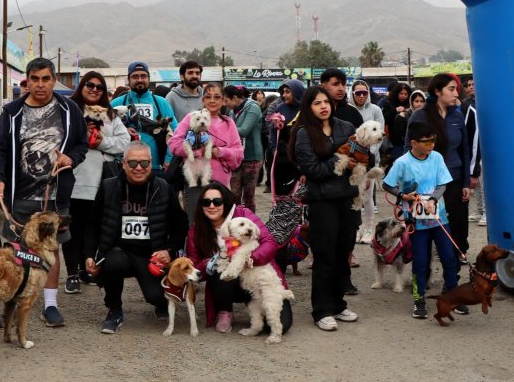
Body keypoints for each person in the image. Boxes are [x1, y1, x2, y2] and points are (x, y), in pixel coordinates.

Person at [0, 57, 88, 328]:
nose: (40, 85)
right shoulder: (11, 113)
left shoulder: (69, 111)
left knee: (51, 250)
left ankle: (50, 306)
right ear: (27, 81)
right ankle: (10, 305)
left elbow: (82, 143)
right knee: (16, 251)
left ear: (54, 80)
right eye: (35, 79)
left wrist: (71, 159)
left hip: (55, 196)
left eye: (46, 79)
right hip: (19, 194)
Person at [83, 141, 186, 333]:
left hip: (152, 256)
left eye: (144, 163)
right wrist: (90, 254)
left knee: (156, 296)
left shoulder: (163, 187)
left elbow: (181, 225)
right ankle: (114, 309)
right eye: (132, 163)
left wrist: (170, 251)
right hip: (119, 251)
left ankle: (160, 303)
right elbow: (92, 225)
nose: (139, 168)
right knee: (112, 263)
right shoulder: (108, 187)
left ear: (151, 162)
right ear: (123, 163)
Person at [291, 85, 361, 331]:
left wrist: (352, 161)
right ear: (308, 107)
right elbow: (313, 171)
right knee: (325, 256)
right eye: (316, 103)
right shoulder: (304, 133)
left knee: (343, 254)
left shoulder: (346, 127)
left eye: (326, 102)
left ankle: (339, 305)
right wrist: (340, 160)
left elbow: (362, 158)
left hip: (348, 199)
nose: (323, 106)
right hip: (322, 203)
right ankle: (322, 310)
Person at [186, 181, 292, 333]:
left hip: (255, 277)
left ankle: (257, 307)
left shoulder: (243, 215)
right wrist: (211, 262)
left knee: (282, 324)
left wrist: (250, 258)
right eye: (206, 202)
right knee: (219, 266)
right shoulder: (196, 231)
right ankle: (225, 310)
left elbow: (270, 242)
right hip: (225, 283)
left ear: (225, 202)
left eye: (217, 201)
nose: (211, 206)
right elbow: (194, 267)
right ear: (200, 205)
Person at [383, 120, 461, 320]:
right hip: (415, 222)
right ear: (414, 142)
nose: (431, 145)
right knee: (420, 261)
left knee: (449, 258)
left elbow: (443, 183)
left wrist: (434, 198)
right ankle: (419, 301)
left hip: (439, 218)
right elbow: (387, 184)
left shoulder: (436, 157)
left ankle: (453, 297)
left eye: (433, 141)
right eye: (426, 142)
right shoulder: (402, 162)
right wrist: (403, 196)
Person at [66, 71, 130, 293]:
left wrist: (101, 141)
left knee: (93, 229)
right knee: (73, 228)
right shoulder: (69, 111)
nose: (94, 89)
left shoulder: (111, 115)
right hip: (75, 179)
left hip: (102, 180)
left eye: (99, 87)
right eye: (89, 85)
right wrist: (84, 137)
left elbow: (124, 142)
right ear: (82, 86)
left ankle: (87, 268)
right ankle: (72, 273)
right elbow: (61, 140)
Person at [405, 73, 471, 264]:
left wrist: (466, 182)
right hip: (426, 185)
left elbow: (464, 150)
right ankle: (423, 275)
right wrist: (410, 184)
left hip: (454, 180)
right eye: (451, 89)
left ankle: (453, 275)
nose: (456, 93)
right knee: (426, 229)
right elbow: (407, 149)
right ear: (437, 91)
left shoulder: (457, 115)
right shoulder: (420, 115)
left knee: (456, 227)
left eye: (456, 89)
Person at [167, 82, 243, 214]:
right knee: (196, 226)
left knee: (221, 226)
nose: (212, 100)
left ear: (224, 101)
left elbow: (239, 153)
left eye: (217, 97)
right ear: (203, 100)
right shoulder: (191, 118)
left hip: (221, 183)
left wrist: (219, 151)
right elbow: (174, 144)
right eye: (208, 97)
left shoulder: (228, 123)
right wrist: (197, 152)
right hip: (195, 182)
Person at [320, 68, 363, 288]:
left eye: (342, 84)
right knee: (327, 239)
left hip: (349, 184)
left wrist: (362, 164)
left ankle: (344, 280)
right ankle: (328, 284)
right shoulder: (313, 114)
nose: (340, 88)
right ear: (323, 85)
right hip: (324, 186)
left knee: (347, 235)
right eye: (335, 83)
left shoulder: (352, 115)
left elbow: (365, 145)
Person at [110, 61, 176, 169]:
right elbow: (106, 130)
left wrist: (168, 159)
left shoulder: (161, 103)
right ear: (129, 79)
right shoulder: (117, 103)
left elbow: (174, 131)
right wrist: (123, 129)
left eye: (143, 76)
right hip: (124, 167)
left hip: (155, 167)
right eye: (135, 76)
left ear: (149, 79)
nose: (140, 80)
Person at [351, 79, 385, 242]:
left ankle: (368, 229)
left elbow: (379, 138)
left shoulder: (375, 110)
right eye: (358, 93)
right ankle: (357, 228)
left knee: (368, 196)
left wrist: (367, 159)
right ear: (352, 94)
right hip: (352, 163)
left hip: (370, 163)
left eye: (364, 92)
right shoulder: (348, 110)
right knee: (354, 197)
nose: (361, 96)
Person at [224, 85, 263, 212]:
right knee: (233, 194)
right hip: (235, 156)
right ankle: (235, 222)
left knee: (248, 196)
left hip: (252, 157)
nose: (225, 104)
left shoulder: (253, 107)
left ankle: (251, 223)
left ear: (234, 97)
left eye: (226, 100)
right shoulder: (231, 110)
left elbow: (244, 130)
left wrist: (223, 129)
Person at [462, 77, 485, 225]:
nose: (471, 87)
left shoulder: (485, 102)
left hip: (484, 148)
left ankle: (487, 213)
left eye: (473, 84)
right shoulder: (466, 104)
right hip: (472, 148)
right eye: (468, 85)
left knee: (483, 183)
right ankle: (480, 211)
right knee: (475, 183)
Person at [382, 82, 412, 160]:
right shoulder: (388, 103)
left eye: (406, 94)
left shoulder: (411, 104)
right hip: (395, 141)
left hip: (410, 140)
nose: (403, 96)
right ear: (396, 93)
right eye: (401, 93)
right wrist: (395, 111)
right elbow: (384, 119)